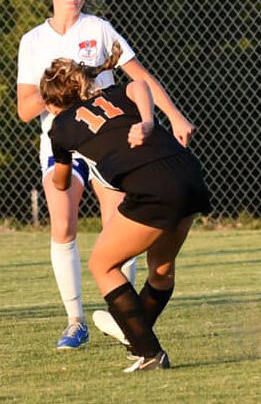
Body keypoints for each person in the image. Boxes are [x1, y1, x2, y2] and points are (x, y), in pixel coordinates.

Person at [17, 0, 195, 350]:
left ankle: (125, 317)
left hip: (105, 144)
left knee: (120, 226)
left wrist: (175, 117)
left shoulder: (98, 29)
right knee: (63, 226)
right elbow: (25, 108)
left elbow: (140, 79)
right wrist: (62, 90)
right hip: (62, 142)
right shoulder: (33, 40)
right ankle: (75, 320)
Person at [40, 42, 210, 371]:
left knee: (102, 265)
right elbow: (139, 84)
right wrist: (147, 121)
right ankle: (135, 336)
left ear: (52, 103)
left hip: (153, 188)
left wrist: (61, 178)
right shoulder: (114, 94)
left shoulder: (58, 127)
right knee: (161, 271)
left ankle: (149, 352)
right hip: (188, 174)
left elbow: (61, 182)